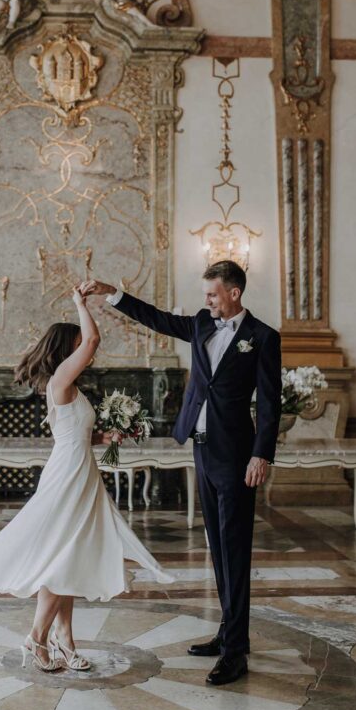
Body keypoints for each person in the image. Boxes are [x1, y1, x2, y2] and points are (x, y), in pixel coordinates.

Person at [79, 260, 282, 687]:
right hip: (203, 450)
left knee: (235, 551)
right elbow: (156, 318)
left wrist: (260, 455)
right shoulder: (201, 326)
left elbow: (268, 403)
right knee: (218, 547)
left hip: (236, 455)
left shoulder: (262, 338)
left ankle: (236, 652)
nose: (206, 300)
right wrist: (112, 292)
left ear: (234, 293)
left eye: (212, 293)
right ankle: (228, 633)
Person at [0, 287, 174, 673]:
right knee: (62, 558)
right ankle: (36, 639)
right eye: (77, 343)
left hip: (81, 468)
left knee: (70, 557)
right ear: (67, 348)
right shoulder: (60, 378)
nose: (86, 348)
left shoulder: (68, 387)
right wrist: (81, 305)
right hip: (69, 476)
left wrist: (106, 436)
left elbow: (74, 433)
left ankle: (65, 641)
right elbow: (93, 338)